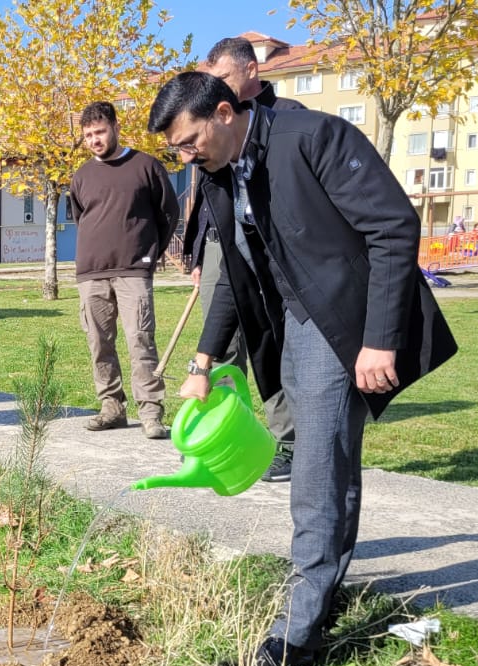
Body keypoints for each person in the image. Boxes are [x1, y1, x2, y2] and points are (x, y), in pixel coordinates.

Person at [149, 72, 457, 666]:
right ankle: (319, 593)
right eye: (175, 149)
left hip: (343, 322)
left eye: (187, 142)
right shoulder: (217, 174)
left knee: (316, 468)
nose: (183, 156)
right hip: (289, 324)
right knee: (327, 460)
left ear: (223, 112)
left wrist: (378, 340)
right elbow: (234, 276)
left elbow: (393, 228)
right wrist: (203, 362)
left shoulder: (312, 137)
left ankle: (298, 633)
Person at [183, 36, 307, 480]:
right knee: (226, 347)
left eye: (222, 79)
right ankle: (224, 433)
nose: (214, 90)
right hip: (226, 248)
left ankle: (290, 442)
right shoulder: (211, 146)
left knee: (275, 347)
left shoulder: (291, 122)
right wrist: (198, 251)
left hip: (284, 265)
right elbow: (209, 204)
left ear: (251, 70)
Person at [66, 102, 178, 439]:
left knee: (140, 340)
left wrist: (149, 252)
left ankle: (151, 413)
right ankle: (111, 407)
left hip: (134, 270)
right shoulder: (81, 176)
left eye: (99, 132)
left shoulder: (145, 166)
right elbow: (80, 217)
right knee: (99, 343)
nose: (94, 140)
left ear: (116, 127)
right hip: (91, 272)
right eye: (88, 135)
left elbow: (168, 213)